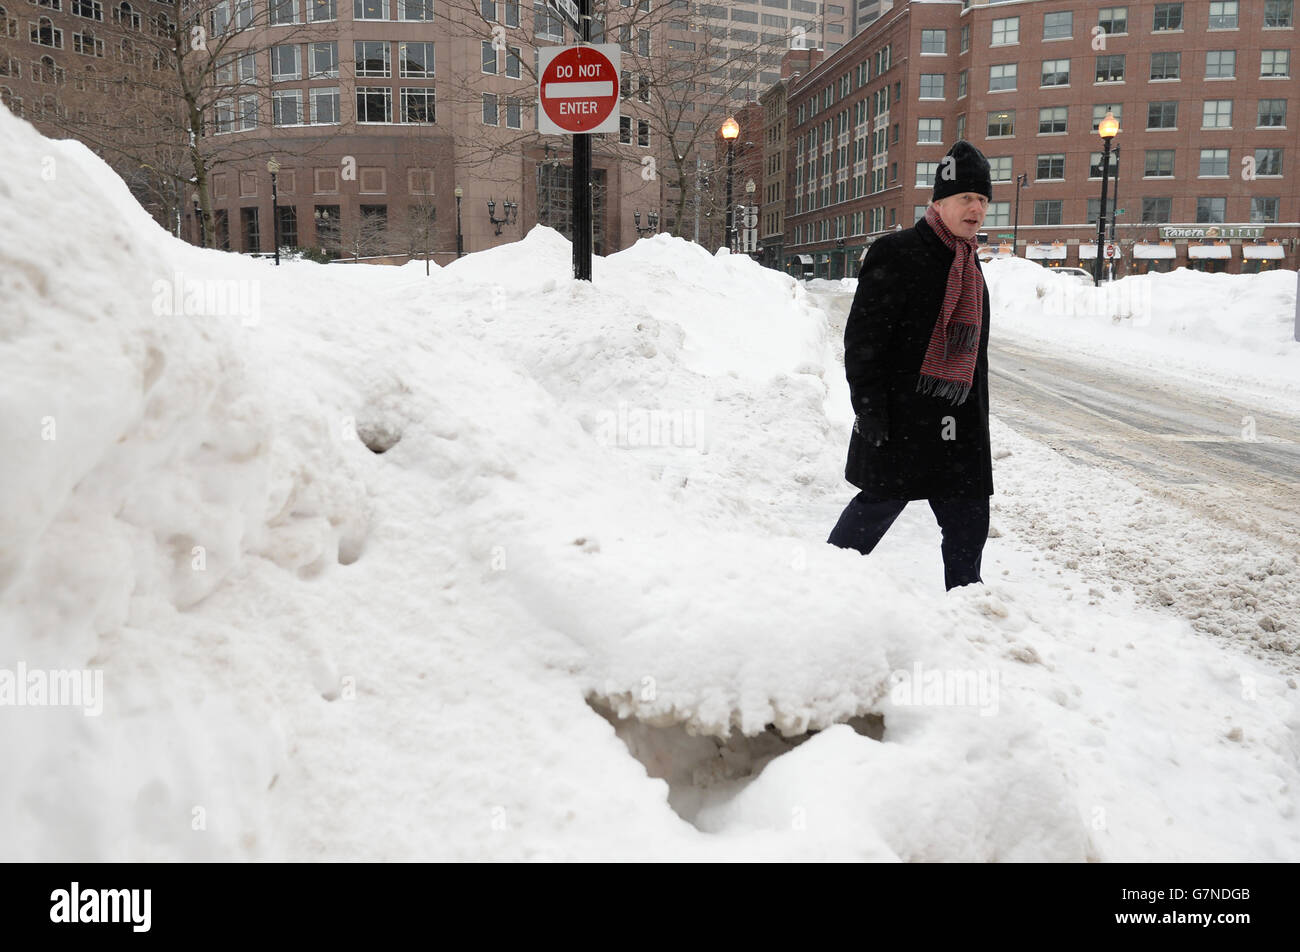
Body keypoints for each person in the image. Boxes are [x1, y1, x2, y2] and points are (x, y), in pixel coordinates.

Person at [827, 140, 994, 591]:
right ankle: (824, 586)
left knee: (969, 515)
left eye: (982, 199)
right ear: (938, 202)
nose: (976, 208)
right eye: (966, 197)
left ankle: (966, 603)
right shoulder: (897, 253)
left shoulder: (969, 263)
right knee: (879, 503)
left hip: (958, 422)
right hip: (904, 416)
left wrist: (977, 415)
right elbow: (863, 340)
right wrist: (869, 408)